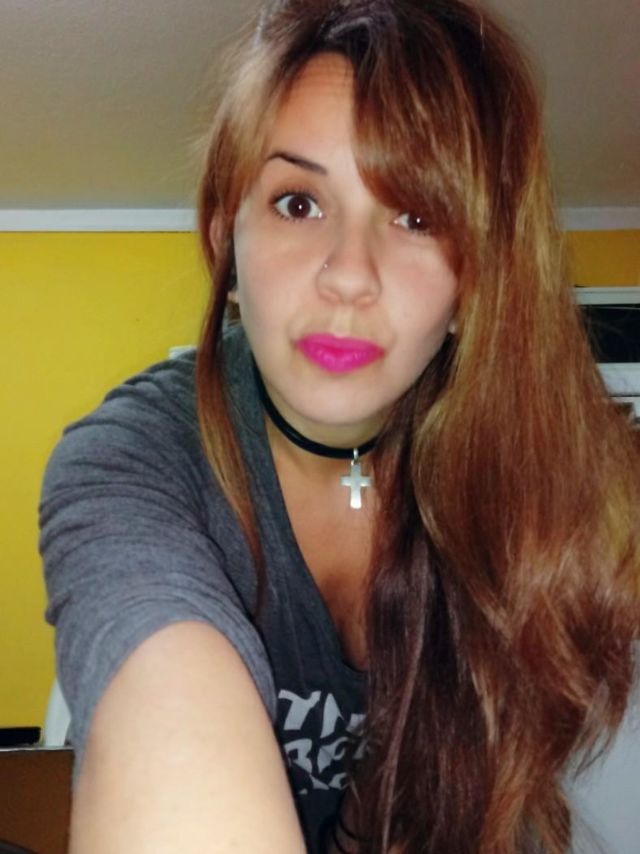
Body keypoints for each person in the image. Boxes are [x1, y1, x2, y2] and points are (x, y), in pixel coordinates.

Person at [39, 1, 640, 852]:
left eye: (416, 217)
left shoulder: (512, 479)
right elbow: (164, 706)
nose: (350, 276)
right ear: (226, 243)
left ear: (473, 284)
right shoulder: (130, 461)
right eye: (298, 203)